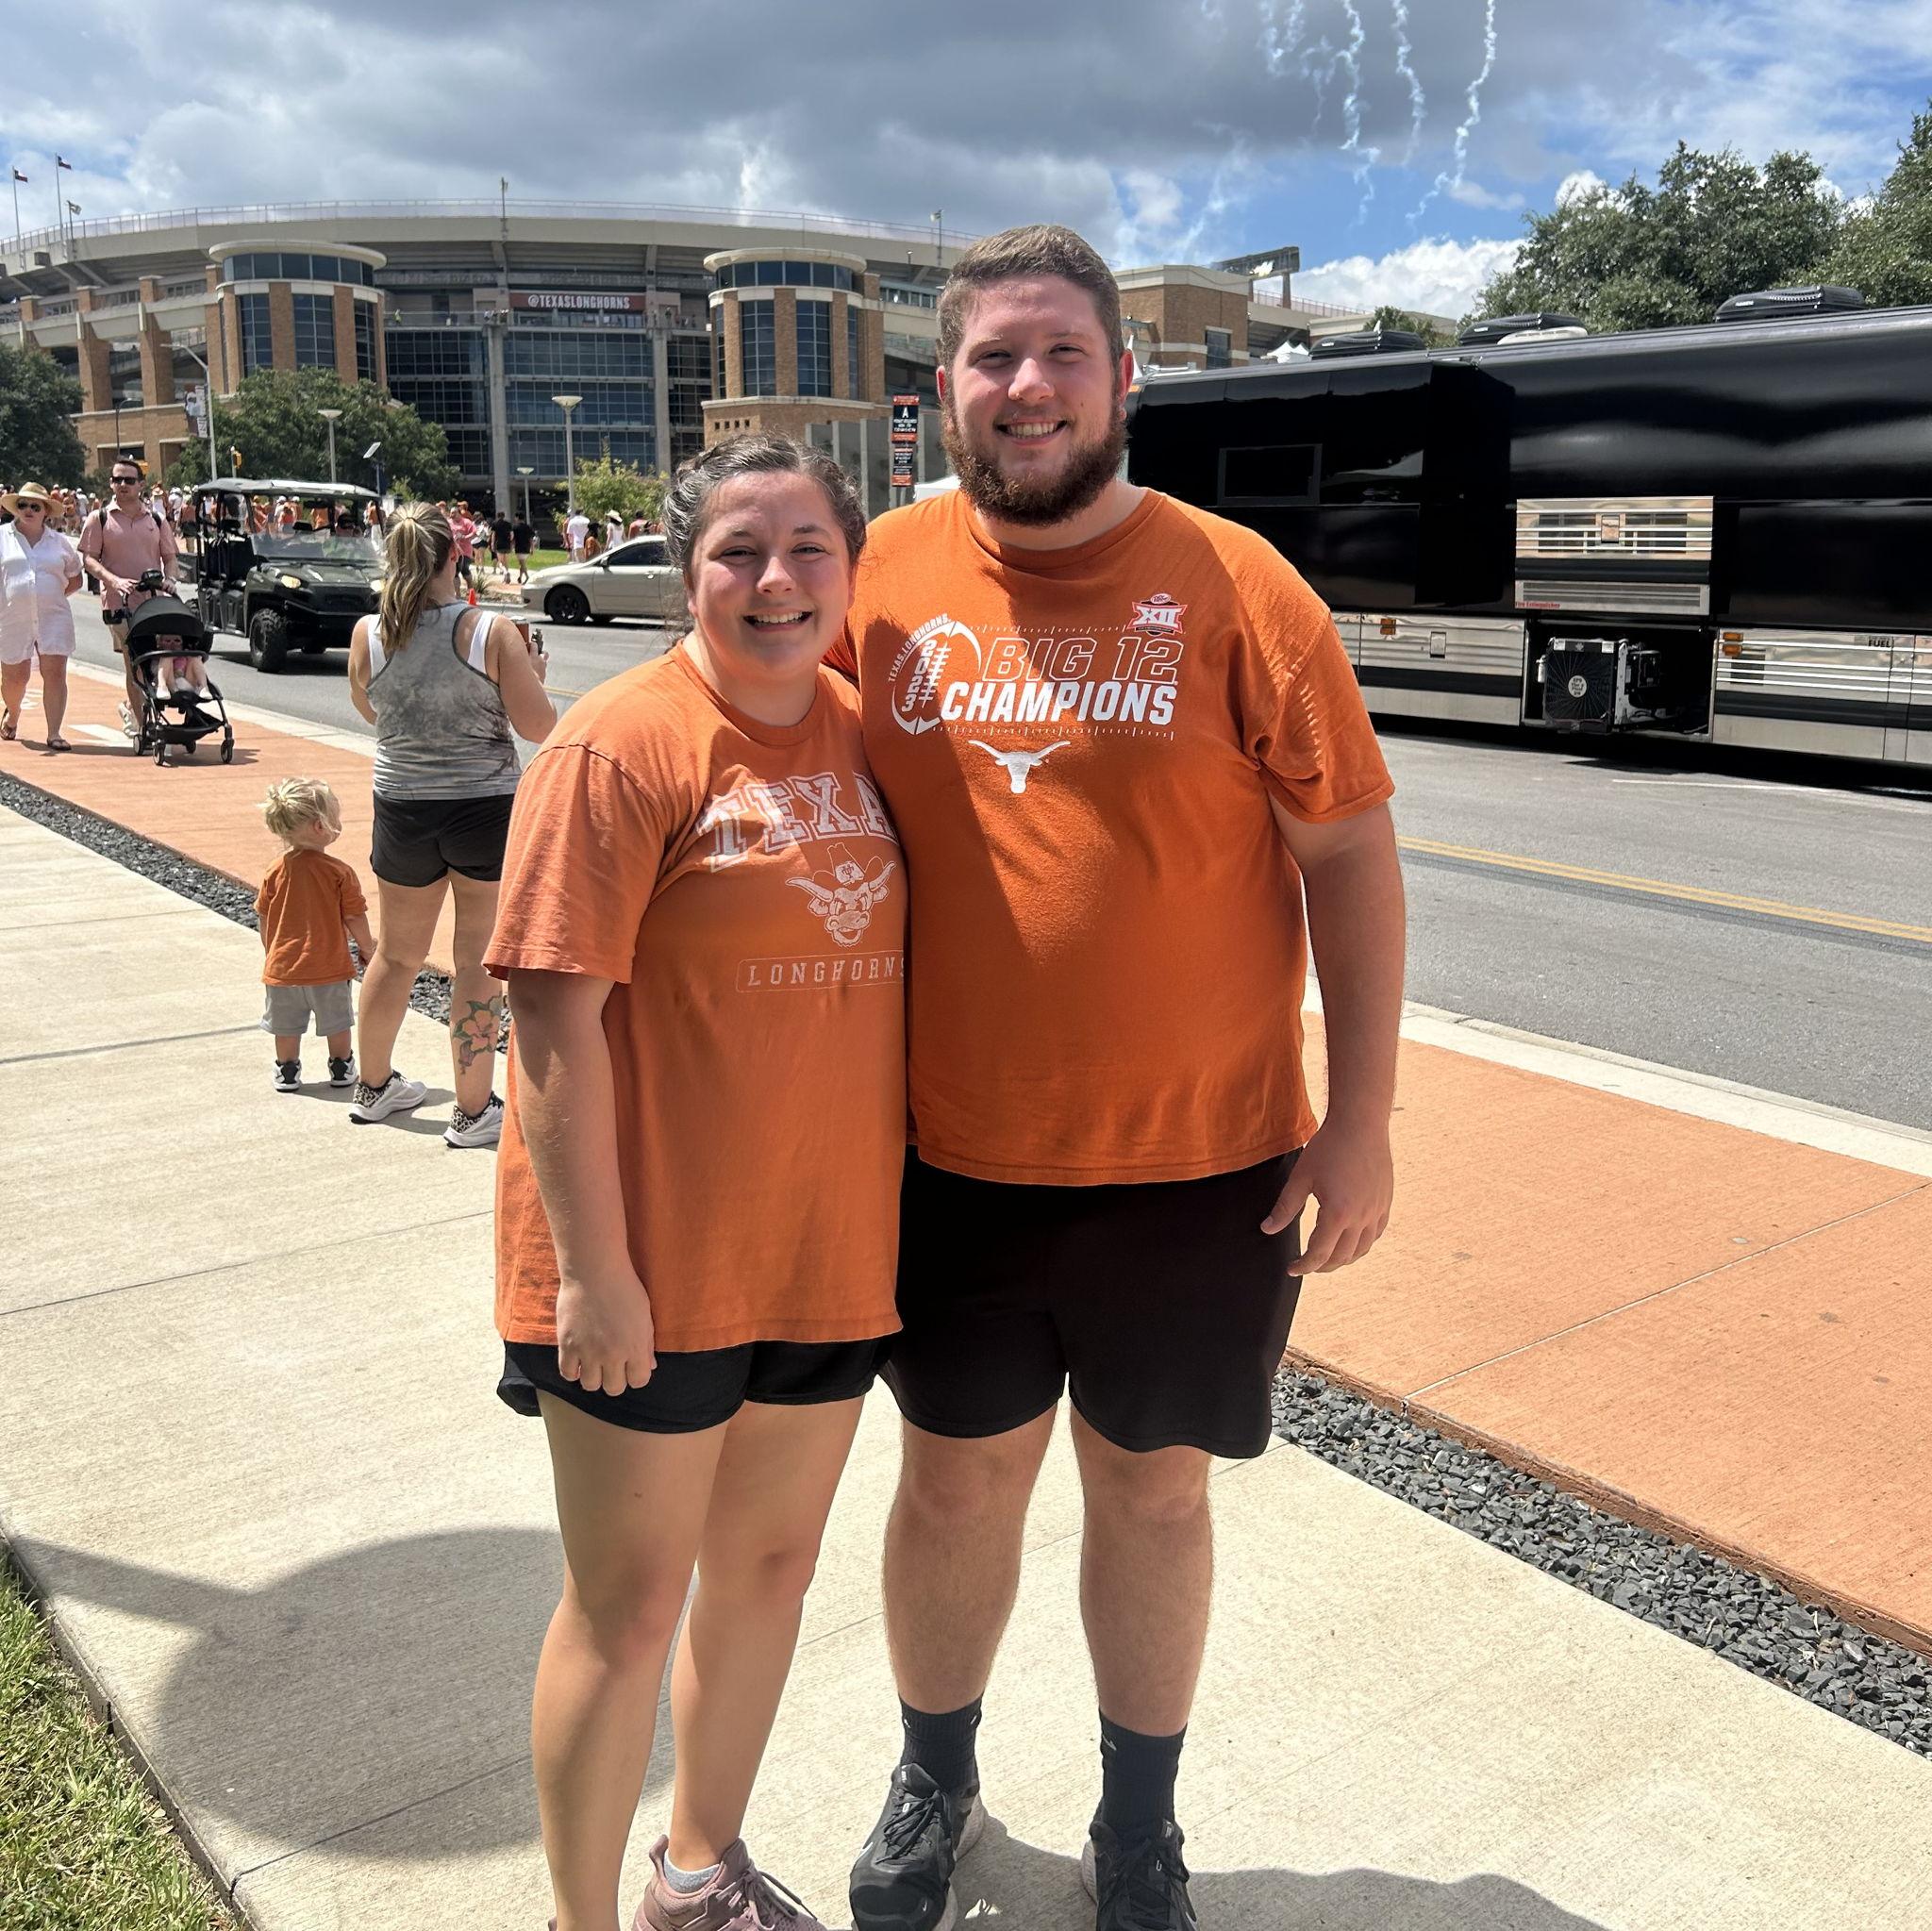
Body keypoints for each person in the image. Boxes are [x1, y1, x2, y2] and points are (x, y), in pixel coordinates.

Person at [835, 225, 1406, 1931]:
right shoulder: (873, 578)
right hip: (944, 1154)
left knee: (1151, 1495)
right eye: (992, 359)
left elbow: (1348, 860)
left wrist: (1358, 1117)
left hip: (1198, 1159)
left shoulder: (1239, 585)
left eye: (1059, 355)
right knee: (950, 1480)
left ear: (1121, 378)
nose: (1026, 388)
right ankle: (934, 1774)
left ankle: (1135, 1823)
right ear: (940, 388)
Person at [490, 433, 904, 1931]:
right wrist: (593, 1273)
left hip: (825, 1248)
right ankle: (579, 1920)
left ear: (851, 575)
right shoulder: (623, 743)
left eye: (809, 548)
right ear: (688, 574)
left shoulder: (870, 733)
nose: (776, 579)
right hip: (647, 1264)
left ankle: (695, 1871)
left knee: (771, 1568)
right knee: (626, 1605)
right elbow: (548, 1022)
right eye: (740, 549)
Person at [345, 500, 555, 1144]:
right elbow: (538, 726)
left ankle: (372, 1085)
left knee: (396, 953)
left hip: (402, 804)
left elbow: (371, 709)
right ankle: (471, 1109)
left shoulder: (369, 633)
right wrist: (535, 673)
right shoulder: (489, 632)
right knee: (475, 962)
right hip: (482, 808)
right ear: (453, 556)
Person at [256, 778, 375, 1093]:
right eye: (336, 817)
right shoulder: (339, 872)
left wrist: (273, 953)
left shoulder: (274, 870)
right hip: (329, 967)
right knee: (337, 1022)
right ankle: (340, 1065)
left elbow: (265, 917)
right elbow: (353, 916)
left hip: (283, 970)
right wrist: (367, 948)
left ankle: (288, 1070)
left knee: (286, 1025)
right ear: (321, 826)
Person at [77, 458, 180, 741]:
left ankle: (134, 710)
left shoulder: (156, 519)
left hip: (154, 604)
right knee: (134, 663)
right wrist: (114, 581)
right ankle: (144, 726)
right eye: (117, 479)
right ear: (111, 483)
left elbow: (170, 557)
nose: (123, 485)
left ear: (141, 484)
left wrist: (169, 580)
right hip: (119, 606)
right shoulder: (99, 518)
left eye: (129, 480)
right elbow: (89, 559)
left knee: (158, 661)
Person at [0, 483, 84, 749]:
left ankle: (54, 732)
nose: (28, 510)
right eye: (22, 505)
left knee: (56, 673)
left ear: (45, 511)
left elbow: (75, 579)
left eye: (35, 506)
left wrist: (49, 596)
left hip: (53, 616)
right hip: (12, 617)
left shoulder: (59, 542)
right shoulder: (2, 537)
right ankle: (12, 715)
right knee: (15, 678)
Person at [450, 501, 477, 586]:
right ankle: (457, 594)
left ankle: (470, 588)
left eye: (453, 513)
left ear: (458, 513)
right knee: (455, 572)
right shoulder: (449, 522)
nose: (451, 515)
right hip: (454, 551)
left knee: (464, 569)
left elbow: (474, 533)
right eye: (451, 513)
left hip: (465, 551)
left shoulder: (466, 522)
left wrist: (464, 537)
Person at [511, 508, 534, 584]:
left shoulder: (515, 527)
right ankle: (520, 577)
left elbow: (513, 539)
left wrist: (512, 547)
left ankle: (527, 577)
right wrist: (532, 548)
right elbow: (531, 539)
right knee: (522, 563)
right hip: (527, 547)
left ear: (517, 517)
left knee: (522, 563)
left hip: (519, 547)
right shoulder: (528, 527)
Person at [491, 508, 513, 581]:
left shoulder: (495, 523)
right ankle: (505, 578)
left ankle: (506, 572)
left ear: (497, 516)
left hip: (499, 543)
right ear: (504, 516)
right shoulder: (508, 524)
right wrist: (510, 541)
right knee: (506, 561)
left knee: (500, 562)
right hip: (507, 544)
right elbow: (512, 535)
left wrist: (492, 543)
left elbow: (493, 535)